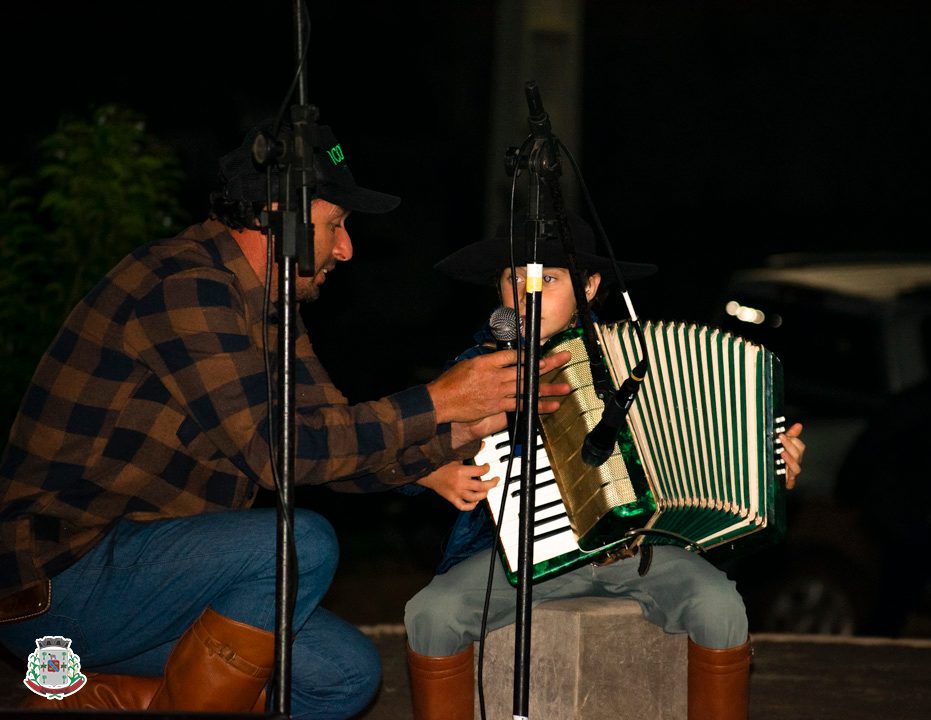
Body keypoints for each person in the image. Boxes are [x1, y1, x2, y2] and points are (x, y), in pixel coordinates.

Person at [0, 119, 571, 717]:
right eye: (336, 225)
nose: (347, 248)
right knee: (298, 541)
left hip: (153, 579)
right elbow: (284, 454)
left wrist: (457, 432)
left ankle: (98, 698)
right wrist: (437, 401)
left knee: (343, 676)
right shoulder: (186, 286)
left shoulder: (268, 306)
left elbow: (329, 444)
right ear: (281, 218)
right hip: (59, 581)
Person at [401, 208, 806, 720]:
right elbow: (399, 452)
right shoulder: (476, 368)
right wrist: (433, 472)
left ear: (590, 287)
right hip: (520, 558)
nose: (526, 293)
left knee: (720, 607)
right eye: (513, 278)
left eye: (547, 278)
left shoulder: (638, 356)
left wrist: (769, 468)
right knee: (431, 614)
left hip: (641, 551)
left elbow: (707, 442)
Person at [835, 311, 931, 641]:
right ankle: (862, 668)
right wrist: (856, 496)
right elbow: (873, 441)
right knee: (892, 608)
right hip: (912, 524)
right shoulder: (928, 398)